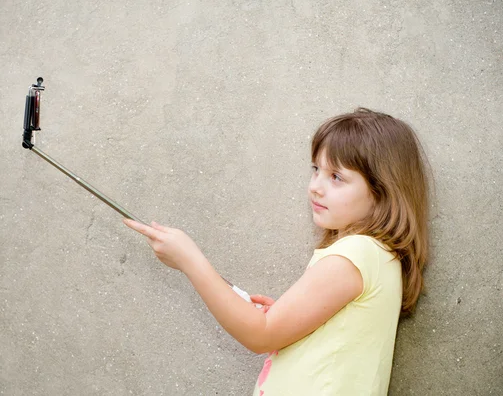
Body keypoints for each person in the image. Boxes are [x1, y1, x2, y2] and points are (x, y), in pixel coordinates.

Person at [123, 108, 429, 395]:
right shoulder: (377, 256)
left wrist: (190, 260)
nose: (315, 186)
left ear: (382, 193)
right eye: (316, 170)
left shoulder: (354, 255)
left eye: (336, 177)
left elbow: (261, 334)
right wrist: (291, 316)